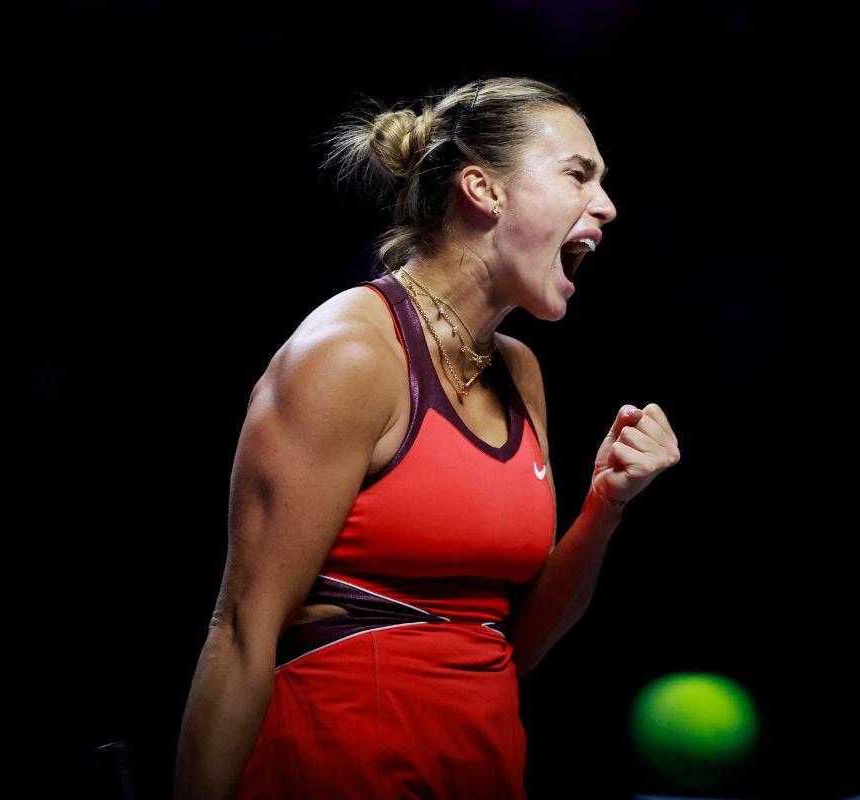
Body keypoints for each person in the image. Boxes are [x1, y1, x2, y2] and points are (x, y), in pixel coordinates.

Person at [173, 75, 681, 800]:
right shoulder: (348, 354)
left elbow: (515, 643)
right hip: (337, 766)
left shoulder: (520, 370)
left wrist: (607, 505)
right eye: (577, 175)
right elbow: (241, 634)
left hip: (481, 766)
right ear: (483, 189)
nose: (605, 205)